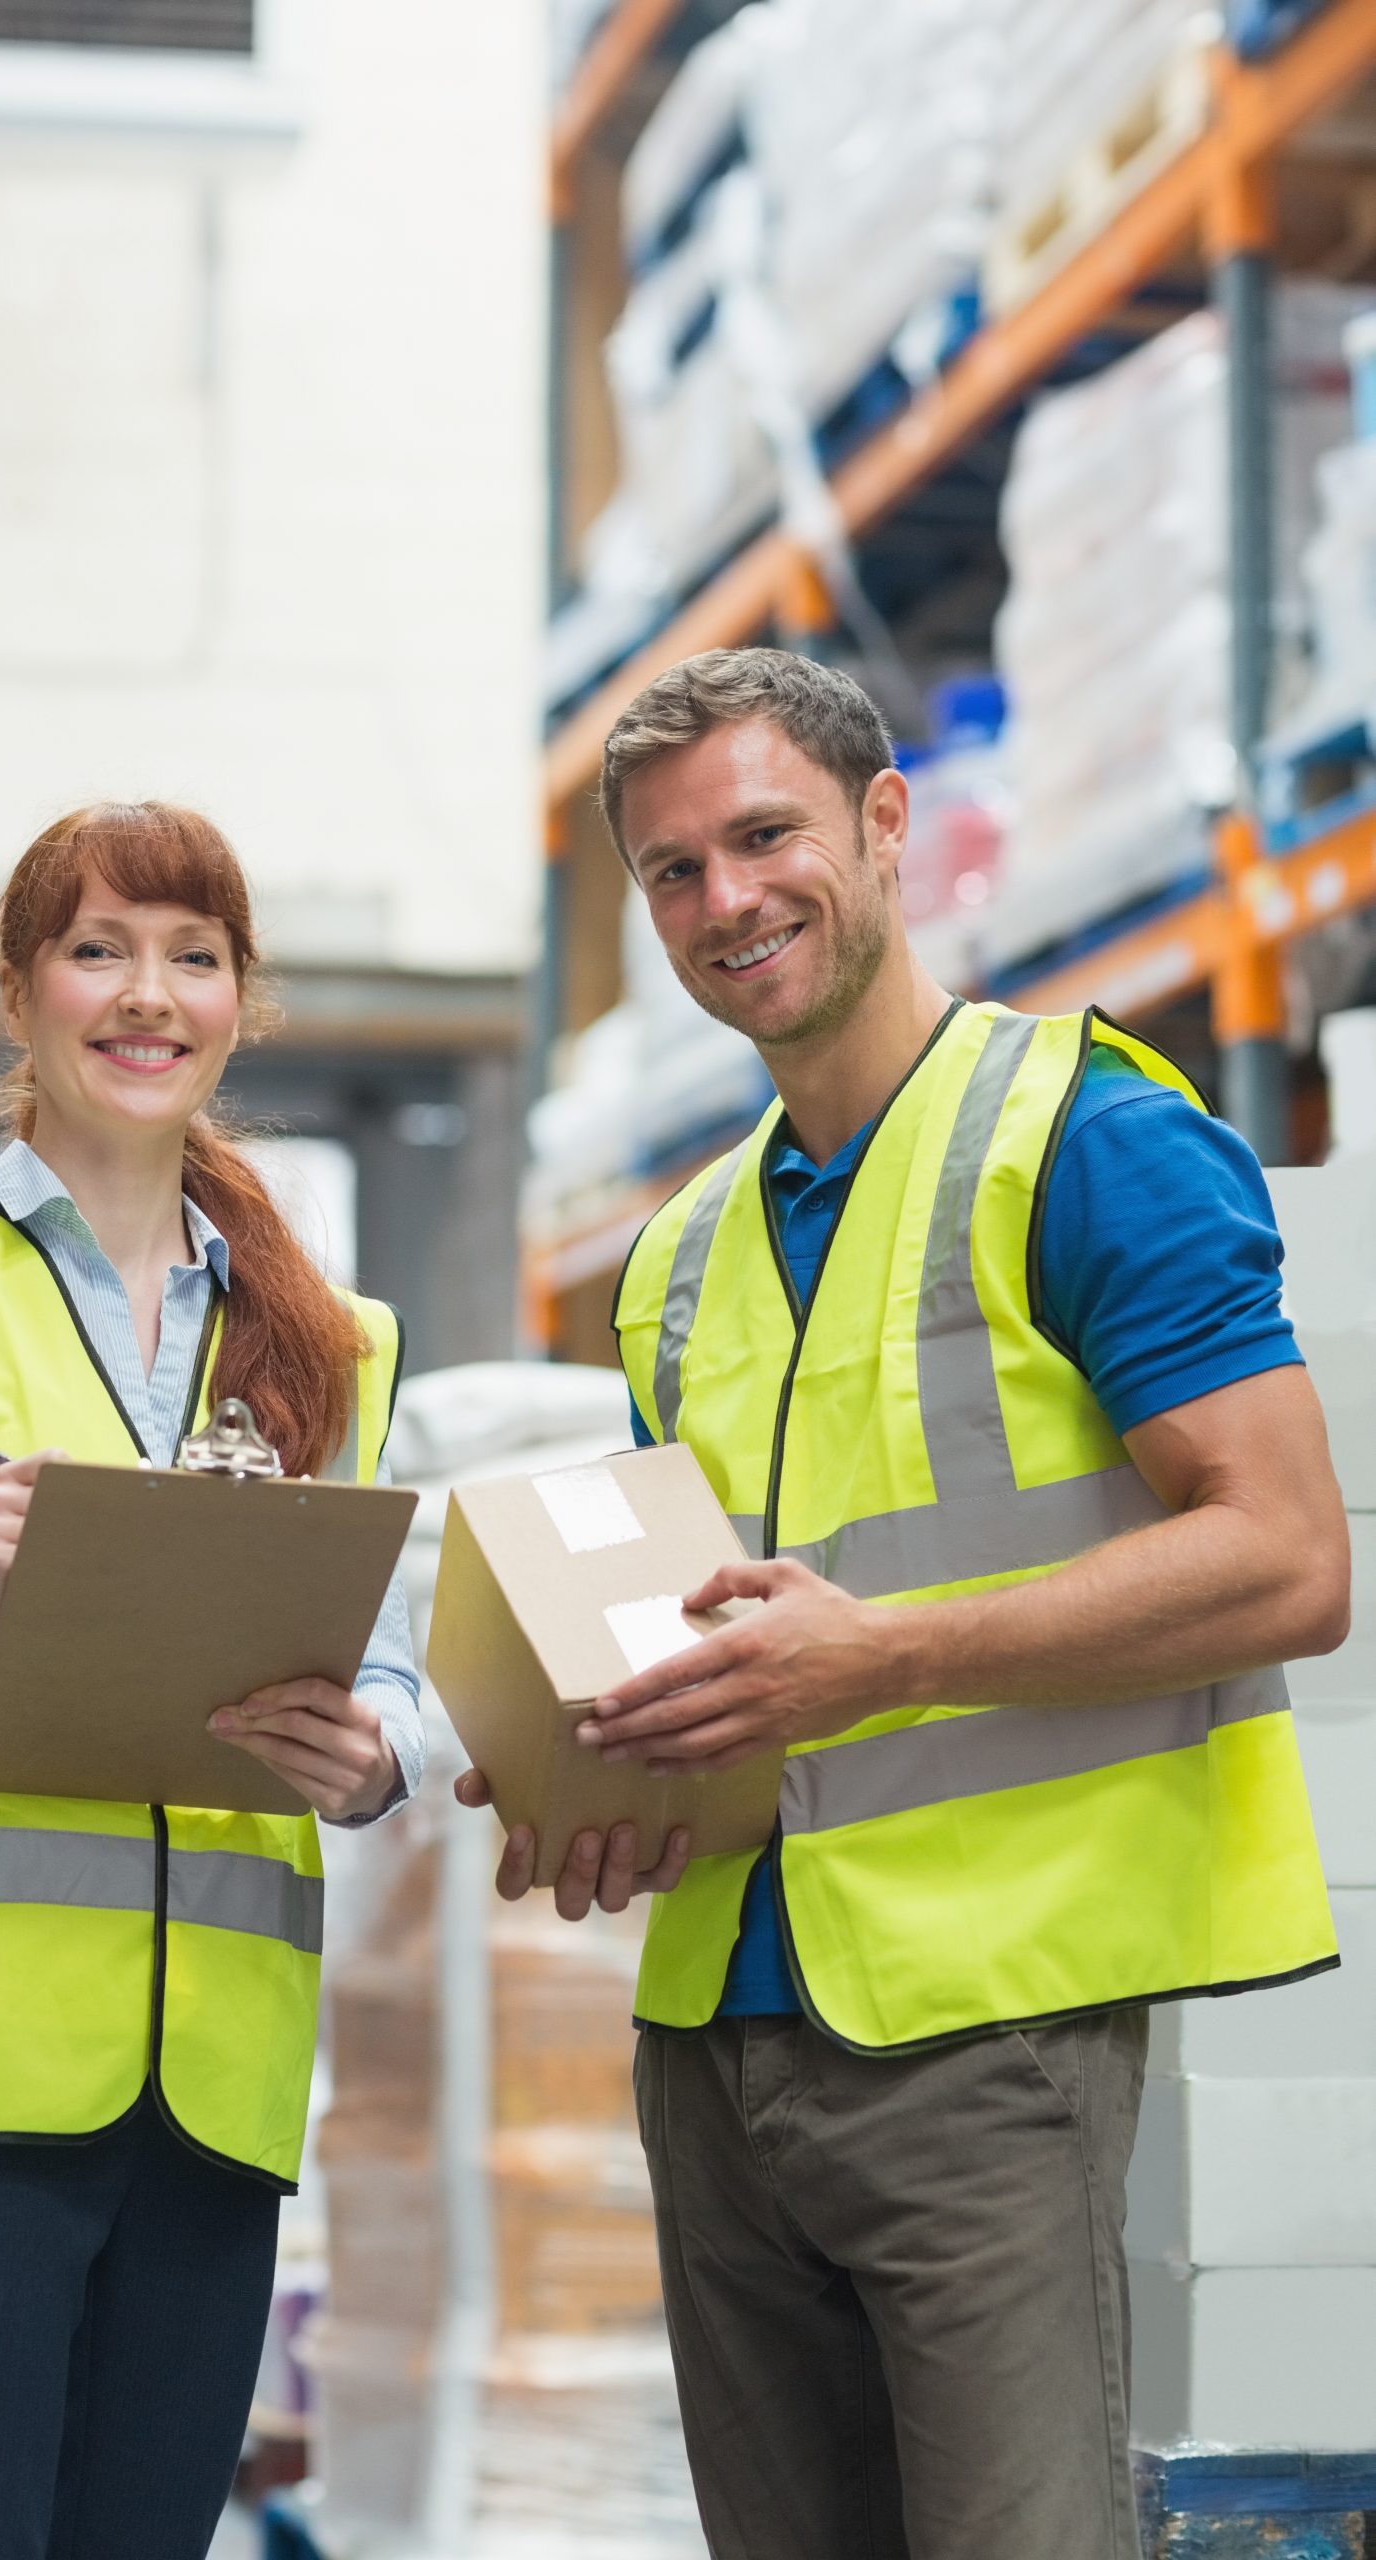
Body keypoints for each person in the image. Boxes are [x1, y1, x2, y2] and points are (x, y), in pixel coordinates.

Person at [457, 649, 1348, 2560]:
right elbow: (707, 1630)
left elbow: (1286, 1555)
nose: (726, 902)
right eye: (673, 871)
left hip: (982, 2041)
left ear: (885, 824)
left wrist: (888, 1658)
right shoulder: (682, 1251)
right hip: (710, 2041)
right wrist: (582, 1768)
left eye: (764, 835)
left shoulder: (1085, 1135)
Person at [0, 801, 421, 2560]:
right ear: (21, 989)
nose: (150, 997)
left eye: (193, 957)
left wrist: (373, 1762)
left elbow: (403, 1685)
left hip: (213, 2101)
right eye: (101, 949)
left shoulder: (327, 1339)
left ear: (238, 1002)